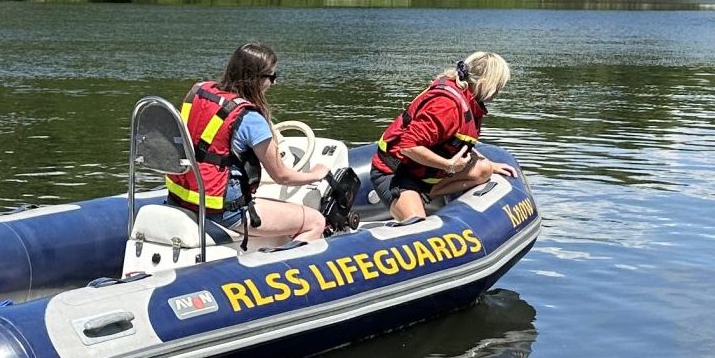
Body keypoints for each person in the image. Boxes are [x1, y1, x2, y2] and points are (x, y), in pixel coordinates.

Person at [166, 41, 330, 246]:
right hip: (223, 211)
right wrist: (315, 174)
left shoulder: (198, 91)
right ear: (256, 79)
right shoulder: (251, 119)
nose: (274, 83)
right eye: (272, 77)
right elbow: (282, 176)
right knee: (315, 221)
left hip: (183, 198)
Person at [370, 52, 516, 221]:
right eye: (499, 86)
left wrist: (489, 164)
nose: (499, 91)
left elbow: (459, 144)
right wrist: (449, 166)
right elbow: (407, 146)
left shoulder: (467, 101)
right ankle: (410, 200)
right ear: (488, 84)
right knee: (418, 228)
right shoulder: (446, 106)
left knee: (483, 170)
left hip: (423, 172)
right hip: (396, 174)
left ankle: (427, 194)